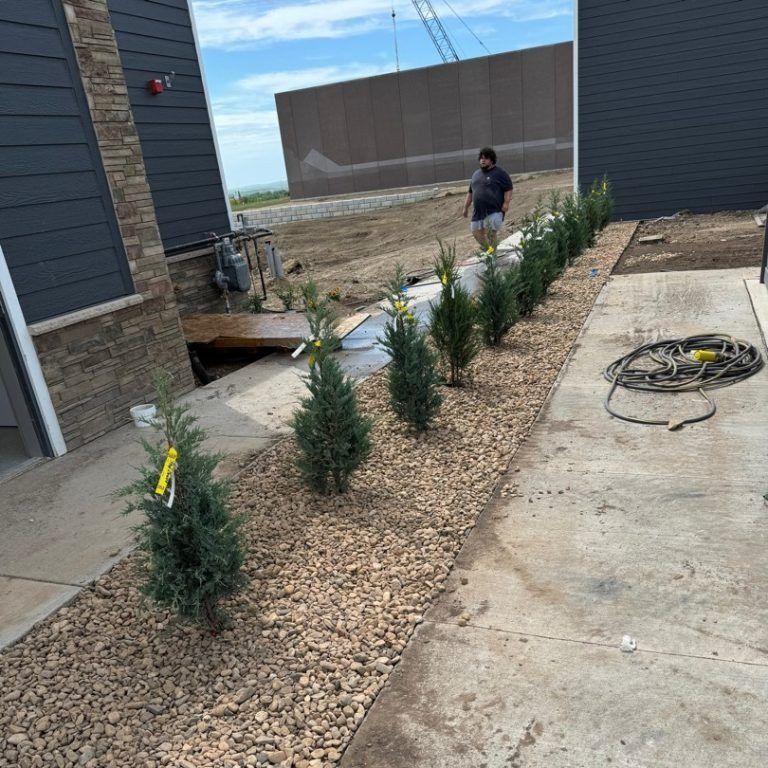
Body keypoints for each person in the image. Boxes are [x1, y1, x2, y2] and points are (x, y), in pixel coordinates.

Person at [462, 147, 513, 252]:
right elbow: (470, 192)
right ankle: (489, 250)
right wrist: (465, 208)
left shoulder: (500, 173)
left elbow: (508, 188)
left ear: (492, 160)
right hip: (478, 212)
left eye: (486, 158)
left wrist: (506, 203)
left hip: (494, 210)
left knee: (490, 233)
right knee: (476, 232)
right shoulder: (476, 174)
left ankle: (492, 255)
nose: (483, 160)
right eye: (481, 158)